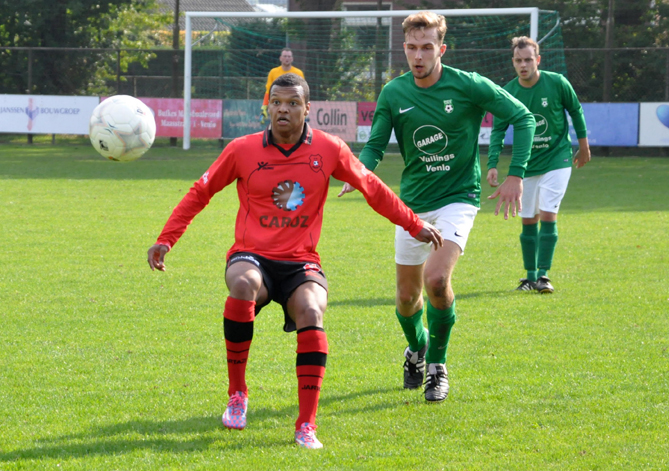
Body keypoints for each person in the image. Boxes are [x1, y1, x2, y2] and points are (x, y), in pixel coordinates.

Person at [147, 73, 442, 449]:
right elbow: (200, 191)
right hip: (251, 255)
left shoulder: (330, 149)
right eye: (276, 102)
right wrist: (166, 239)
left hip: (301, 260)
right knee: (242, 285)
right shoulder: (241, 149)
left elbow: (372, 188)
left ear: (307, 109)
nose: (282, 110)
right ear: (267, 106)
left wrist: (413, 224)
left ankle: (306, 424)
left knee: (312, 312)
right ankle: (237, 395)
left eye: (291, 103)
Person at [338, 11, 535, 402]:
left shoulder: (469, 85)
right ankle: (416, 349)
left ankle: (437, 366)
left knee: (436, 281)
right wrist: (357, 172)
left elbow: (523, 118)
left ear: (441, 49)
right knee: (407, 298)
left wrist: (516, 174)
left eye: (426, 47)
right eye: (411, 47)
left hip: (458, 199)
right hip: (411, 205)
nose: (418, 55)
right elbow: (376, 144)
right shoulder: (394, 93)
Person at [487, 36, 591, 294]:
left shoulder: (556, 83)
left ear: (538, 60)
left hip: (558, 158)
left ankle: (544, 276)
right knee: (528, 220)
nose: (523, 65)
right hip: (526, 165)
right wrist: (492, 164)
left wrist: (584, 144)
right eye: (519, 60)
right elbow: (498, 128)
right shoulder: (509, 92)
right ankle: (529, 277)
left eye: (528, 60)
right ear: (513, 62)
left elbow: (575, 110)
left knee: (547, 214)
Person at [261, 48, 305, 124]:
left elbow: (303, 92)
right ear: (280, 58)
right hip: (277, 106)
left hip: (292, 106)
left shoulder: (298, 73)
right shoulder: (273, 72)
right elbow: (268, 91)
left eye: (289, 56)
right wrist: (264, 107)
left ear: (292, 59)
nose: (287, 58)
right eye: (285, 56)